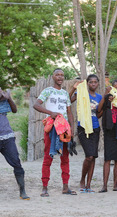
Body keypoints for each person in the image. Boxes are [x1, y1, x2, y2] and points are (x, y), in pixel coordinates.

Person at [33, 68, 76, 197]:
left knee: (65, 158)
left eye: (62, 75)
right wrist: (50, 113)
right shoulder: (47, 91)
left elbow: (69, 112)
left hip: (64, 128)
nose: (60, 77)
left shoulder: (64, 94)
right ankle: (44, 187)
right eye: (57, 75)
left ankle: (65, 187)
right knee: (48, 157)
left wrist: (71, 129)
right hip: (52, 127)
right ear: (53, 77)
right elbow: (36, 104)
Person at [70, 74, 103, 193]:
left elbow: (99, 114)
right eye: (91, 82)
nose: (93, 84)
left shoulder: (99, 97)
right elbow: (68, 101)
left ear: (98, 83)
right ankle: (82, 180)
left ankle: (89, 184)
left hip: (95, 128)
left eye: (95, 82)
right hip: (83, 127)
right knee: (89, 156)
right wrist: (74, 88)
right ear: (87, 83)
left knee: (93, 156)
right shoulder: (82, 93)